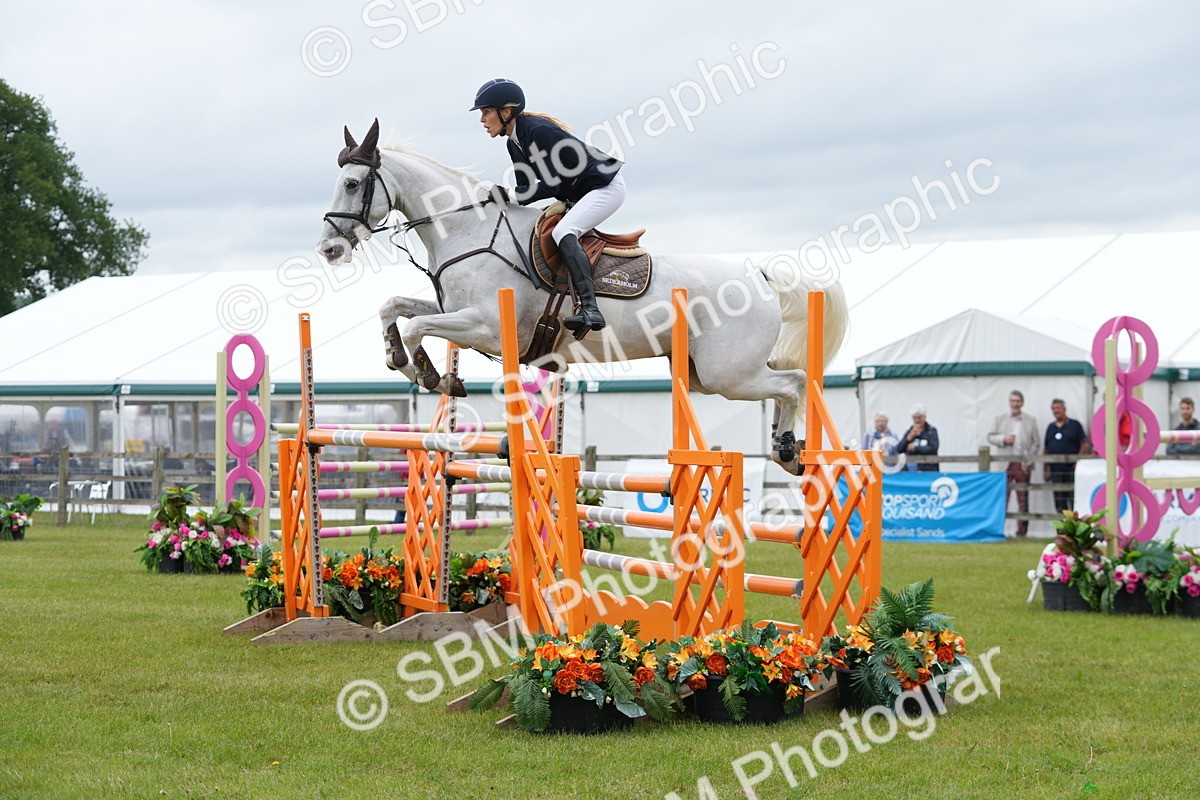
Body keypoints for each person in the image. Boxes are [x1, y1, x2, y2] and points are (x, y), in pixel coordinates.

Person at [472, 78, 625, 333]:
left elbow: (552, 186)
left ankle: (590, 308)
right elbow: (525, 191)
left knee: (564, 231)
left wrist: (508, 194)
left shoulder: (539, 131)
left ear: (506, 112)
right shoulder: (514, 143)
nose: (482, 119)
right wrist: (499, 198)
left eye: (486, 112)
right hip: (579, 193)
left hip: (605, 187)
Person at [987, 390, 1040, 537]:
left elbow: (1036, 442)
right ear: (1009, 402)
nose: (1015, 403)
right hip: (1005, 463)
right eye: (1012, 401)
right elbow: (990, 437)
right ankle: (998, 530)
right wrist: (1003, 439)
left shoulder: (1031, 420)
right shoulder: (999, 418)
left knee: (1023, 498)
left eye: (1017, 401)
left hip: (1023, 464)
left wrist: (1029, 459)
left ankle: (1021, 532)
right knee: (1002, 497)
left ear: (1022, 403)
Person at [1043, 398, 1089, 512]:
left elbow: (1084, 444)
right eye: (1053, 408)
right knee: (1059, 502)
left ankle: (1074, 528)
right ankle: (1061, 529)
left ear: (1064, 409)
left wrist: (1077, 461)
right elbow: (1046, 448)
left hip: (1071, 470)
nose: (1056, 411)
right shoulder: (1050, 427)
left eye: (1058, 408)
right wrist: (1045, 468)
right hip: (1055, 470)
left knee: (1073, 500)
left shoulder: (1075, 425)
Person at [899, 404, 939, 471]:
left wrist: (915, 448)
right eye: (914, 418)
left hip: (928, 469)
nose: (917, 420)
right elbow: (899, 449)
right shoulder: (910, 431)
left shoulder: (931, 431)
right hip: (910, 470)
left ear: (924, 417)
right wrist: (908, 438)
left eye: (919, 417)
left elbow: (933, 448)